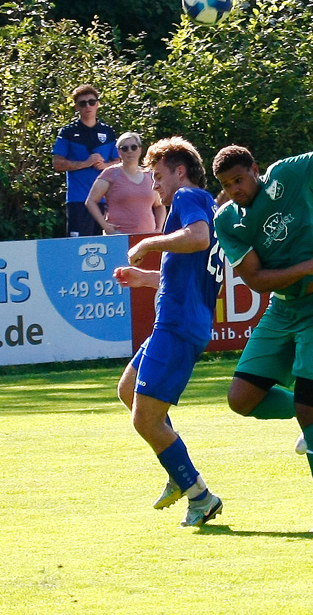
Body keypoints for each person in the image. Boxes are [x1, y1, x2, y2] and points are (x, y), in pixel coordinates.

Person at [211, 54, 313, 533]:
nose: (236, 191)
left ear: (255, 169)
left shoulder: (289, 174)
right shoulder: (228, 220)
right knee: (240, 398)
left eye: (240, 180)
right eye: (227, 186)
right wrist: (306, 265)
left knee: (306, 410)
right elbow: (254, 279)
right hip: (283, 309)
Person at [114, 136, 225, 526]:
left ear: (180, 171)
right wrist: (144, 277)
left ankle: (199, 495)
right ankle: (178, 473)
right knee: (128, 391)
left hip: (178, 325)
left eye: (158, 175)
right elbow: (183, 273)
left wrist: (148, 242)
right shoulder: (205, 204)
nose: (154, 185)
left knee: (145, 420)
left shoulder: (188, 198)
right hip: (178, 320)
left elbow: (198, 239)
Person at [52, 84, 119, 237]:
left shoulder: (108, 132)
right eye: (83, 103)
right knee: (79, 247)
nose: (88, 106)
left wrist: (106, 165)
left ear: (97, 104)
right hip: (79, 200)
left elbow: (119, 162)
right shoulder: (67, 132)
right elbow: (57, 163)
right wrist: (85, 163)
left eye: (92, 102)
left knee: (108, 246)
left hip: (106, 200)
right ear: (76, 107)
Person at [85, 131, 166, 234]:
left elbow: (159, 205)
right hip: (118, 236)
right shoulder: (110, 173)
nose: (129, 151)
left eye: (133, 147)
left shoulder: (149, 175)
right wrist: (105, 226)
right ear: (119, 152)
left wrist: (158, 229)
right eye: (125, 148)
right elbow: (90, 201)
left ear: (140, 149)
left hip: (147, 237)